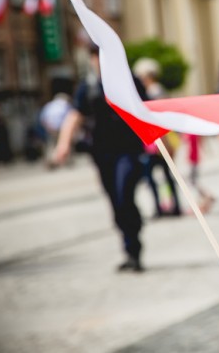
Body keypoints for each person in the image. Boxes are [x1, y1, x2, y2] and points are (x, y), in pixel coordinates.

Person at [53, 44, 147, 272]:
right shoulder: (88, 86)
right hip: (103, 154)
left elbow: (148, 110)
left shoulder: (129, 80)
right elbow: (75, 115)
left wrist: (165, 142)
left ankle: (134, 245)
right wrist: (63, 144)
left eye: (101, 54)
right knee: (115, 201)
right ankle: (129, 248)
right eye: (94, 55)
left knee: (124, 194)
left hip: (129, 151)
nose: (97, 60)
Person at [132, 57, 181, 217]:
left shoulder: (155, 92)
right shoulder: (150, 92)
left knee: (162, 175)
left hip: (159, 139)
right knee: (161, 175)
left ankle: (169, 206)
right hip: (154, 141)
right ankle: (167, 206)